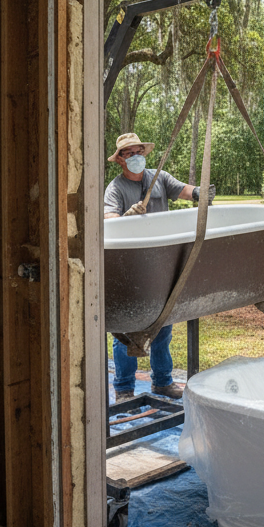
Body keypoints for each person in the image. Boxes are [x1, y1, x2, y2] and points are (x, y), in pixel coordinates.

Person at [104, 132, 215, 400]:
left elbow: (186, 191)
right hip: (131, 268)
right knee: (126, 334)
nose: (135, 157)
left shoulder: (159, 178)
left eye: (139, 151)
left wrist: (200, 192)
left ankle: (163, 382)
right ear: (120, 159)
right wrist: (126, 218)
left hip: (161, 266)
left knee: (163, 328)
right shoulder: (115, 188)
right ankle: (124, 389)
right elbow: (108, 222)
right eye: (129, 153)